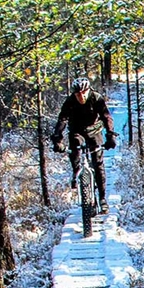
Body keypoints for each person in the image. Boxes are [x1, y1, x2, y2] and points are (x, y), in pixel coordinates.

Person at [52, 77, 117, 213]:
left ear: (88, 91)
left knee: (98, 164)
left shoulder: (96, 98)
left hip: (94, 131)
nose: (81, 96)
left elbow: (106, 117)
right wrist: (57, 137)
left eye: (83, 93)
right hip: (77, 131)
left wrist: (110, 135)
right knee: (75, 147)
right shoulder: (70, 101)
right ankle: (77, 172)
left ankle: (102, 199)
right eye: (77, 94)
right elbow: (62, 119)